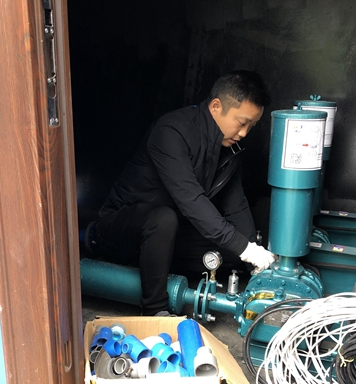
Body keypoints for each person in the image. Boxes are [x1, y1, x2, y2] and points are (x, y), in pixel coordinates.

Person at [87, 70, 276, 316]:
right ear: (216, 107)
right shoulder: (171, 131)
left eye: (251, 125)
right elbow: (192, 201)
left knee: (233, 254)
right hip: (124, 227)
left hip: (172, 233)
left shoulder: (229, 147)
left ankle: (155, 265)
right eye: (242, 123)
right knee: (163, 219)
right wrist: (245, 248)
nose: (244, 133)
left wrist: (253, 261)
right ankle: (155, 310)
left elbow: (236, 206)